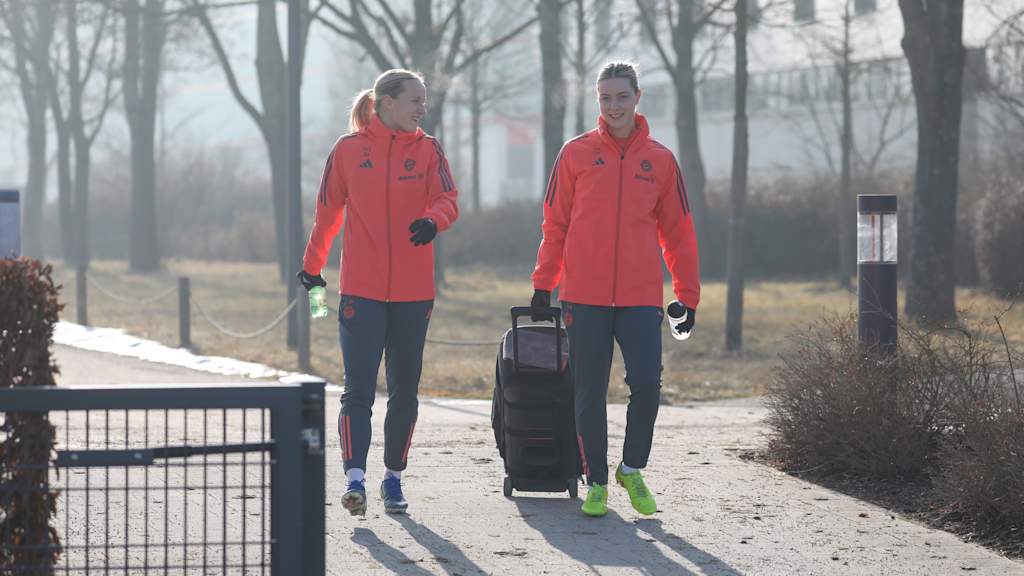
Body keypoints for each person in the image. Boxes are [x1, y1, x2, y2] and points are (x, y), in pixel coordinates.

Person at [530, 61, 699, 517]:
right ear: (597, 102)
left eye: (622, 97)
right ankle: (598, 481)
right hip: (583, 296)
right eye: (605, 98)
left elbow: (679, 232)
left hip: (641, 297)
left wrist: (688, 295)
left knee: (646, 384)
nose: (613, 106)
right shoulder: (575, 153)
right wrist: (543, 283)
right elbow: (555, 223)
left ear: (638, 98)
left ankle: (631, 467)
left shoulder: (660, 160)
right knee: (588, 390)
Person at [297, 69, 459, 516]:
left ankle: (393, 478)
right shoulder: (348, 151)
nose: (422, 109)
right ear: (387, 102)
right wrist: (312, 271)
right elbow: (327, 214)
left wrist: (434, 220)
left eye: (423, 101)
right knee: (358, 391)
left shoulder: (429, 149)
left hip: (413, 294)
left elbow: (448, 198)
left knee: (405, 391)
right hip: (361, 293)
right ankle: (354, 479)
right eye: (415, 100)